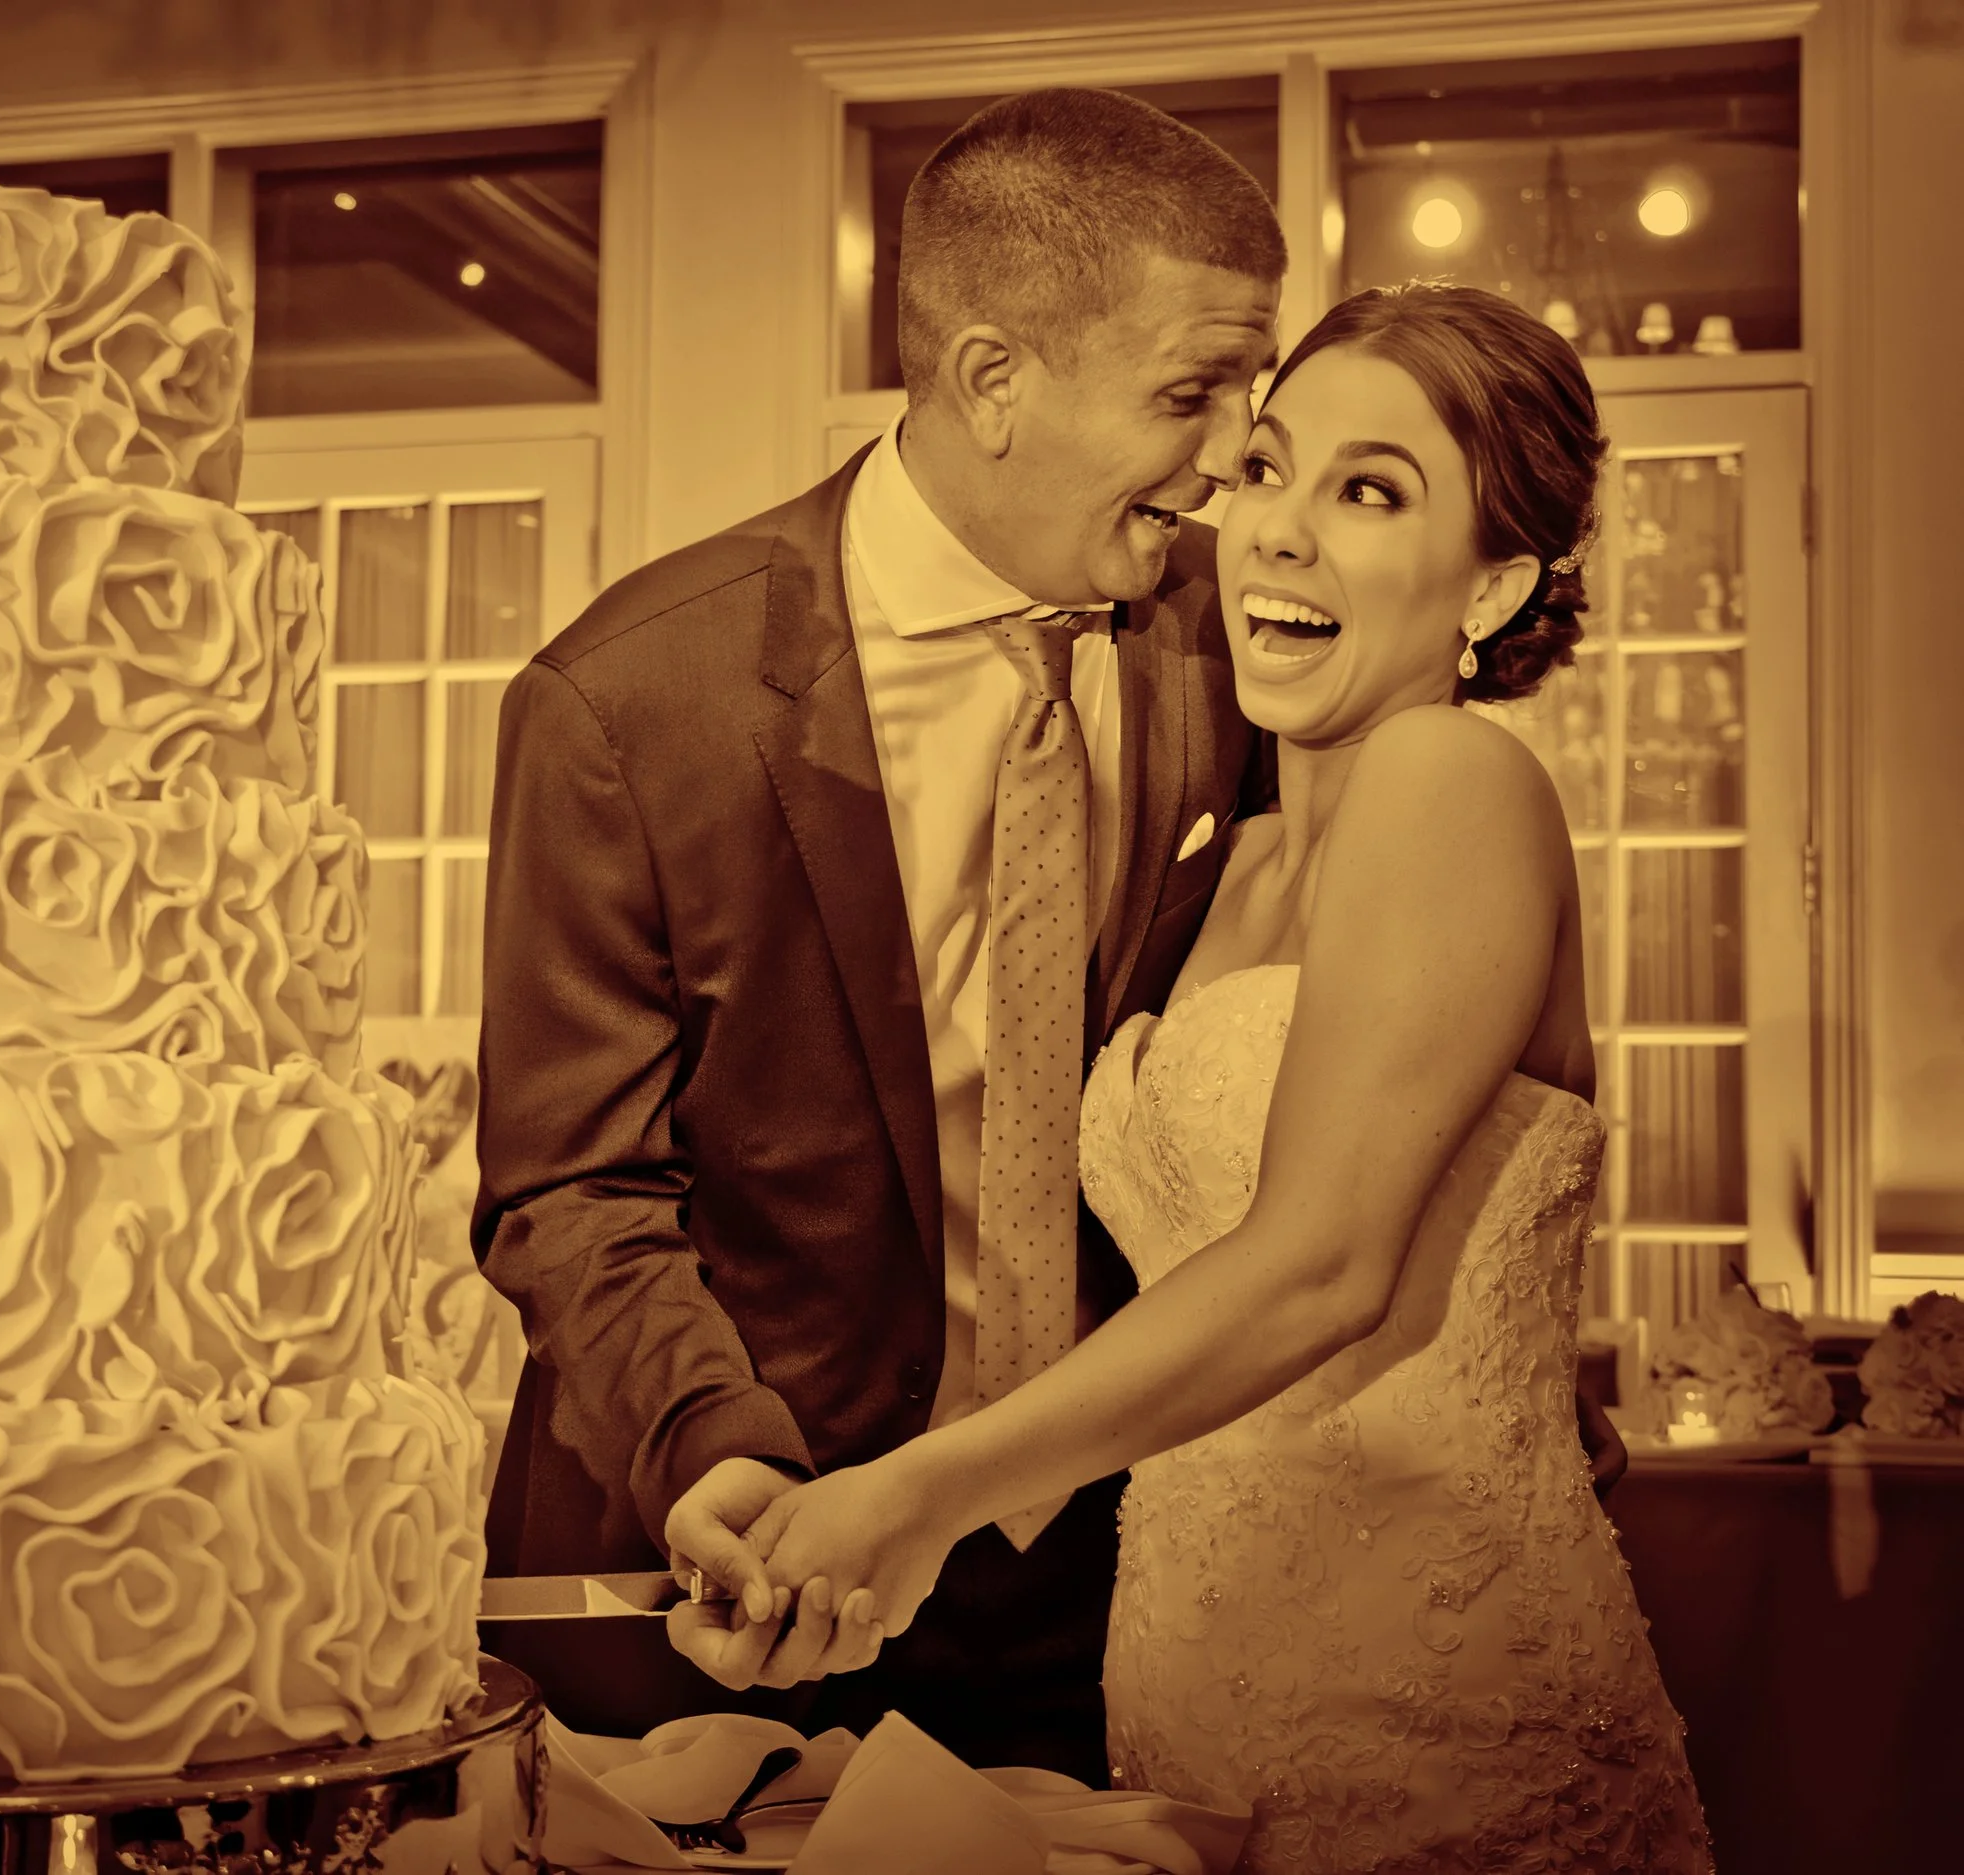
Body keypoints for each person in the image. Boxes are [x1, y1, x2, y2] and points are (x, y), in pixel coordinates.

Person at [730, 283, 1714, 1870]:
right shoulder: (1228, 857)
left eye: (1371, 492)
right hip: (1191, 1669)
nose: (1279, 533)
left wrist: (919, 1494)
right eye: (1265, 469)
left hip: (1430, 1684)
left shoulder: (1456, 782)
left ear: (1498, 581)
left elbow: (1321, 1260)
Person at [472, 87, 1284, 1781]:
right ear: (996, 380)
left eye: (1245, 392)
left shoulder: (1236, 649)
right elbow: (571, 1184)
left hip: (1114, 1577)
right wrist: (724, 1458)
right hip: (739, 1584)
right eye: (1190, 390)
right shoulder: (628, 698)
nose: (1226, 454)